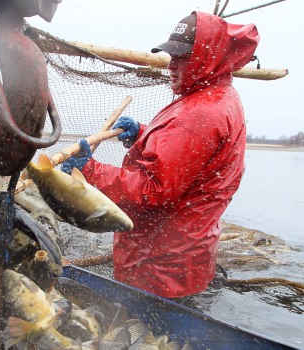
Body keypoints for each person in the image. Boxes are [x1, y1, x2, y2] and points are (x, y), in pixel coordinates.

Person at [61, 11, 260, 298]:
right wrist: (143, 135)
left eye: (183, 57)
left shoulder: (198, 114)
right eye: (172, 57)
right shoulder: (216, 96)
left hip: (159, 266)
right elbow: (189, 157)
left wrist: (89, 171)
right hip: (183, 255)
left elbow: (153, 191)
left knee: (147, 335)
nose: (172, 66)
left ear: (208, 57)